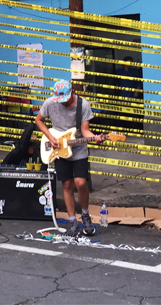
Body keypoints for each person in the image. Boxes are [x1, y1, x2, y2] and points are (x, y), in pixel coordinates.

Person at [35, 80, 106, 236]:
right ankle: (73, 221)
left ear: (72, 91)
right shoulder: (50, 103)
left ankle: (85, 215)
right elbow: (38, 120)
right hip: (58, 148)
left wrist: (95, 138)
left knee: (80, 183)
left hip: (78, 147)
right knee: (66, 184)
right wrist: (50, 137)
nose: (63, 103)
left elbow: (85, 131)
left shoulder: (83, 105)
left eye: (66, 100)